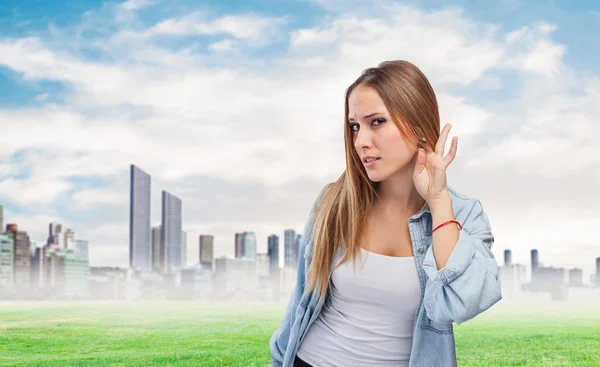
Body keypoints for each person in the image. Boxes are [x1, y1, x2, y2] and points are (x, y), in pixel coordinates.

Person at [270, 60, 502, 367]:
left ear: (418, 125)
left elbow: (463, 302)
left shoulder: (462, 214)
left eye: (377, 122)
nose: (361, 141)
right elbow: (300, 303)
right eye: (355, 126)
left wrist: (437, 199)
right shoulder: (335, 202)